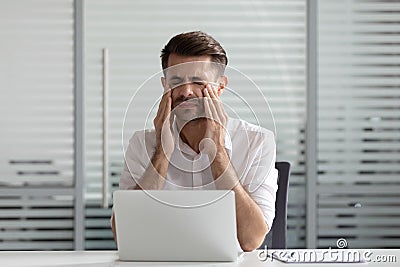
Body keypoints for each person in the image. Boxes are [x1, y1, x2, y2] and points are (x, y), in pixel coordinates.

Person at [111, 31, 278, 252]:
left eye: (198, 81)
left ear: (221, 86)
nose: (187, 91)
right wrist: (162, 151)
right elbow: (122, 234)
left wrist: (217, 151)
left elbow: (251, 240)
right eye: (176, 81)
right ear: (164, 85)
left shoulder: (258, 141)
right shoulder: (141, 143)